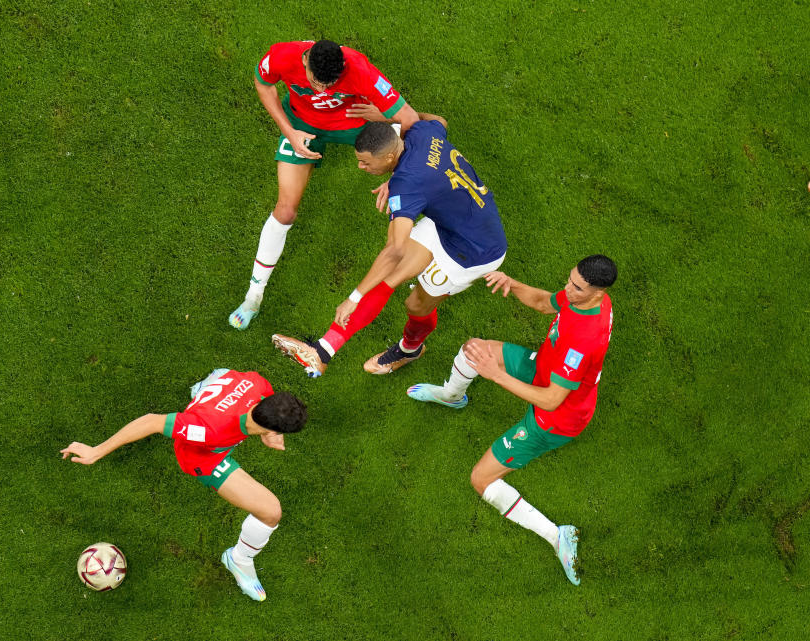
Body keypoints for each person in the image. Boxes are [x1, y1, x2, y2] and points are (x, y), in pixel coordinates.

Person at [407, 255, 617, 585]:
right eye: (569, 279)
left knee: (481, 480)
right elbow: (546, 303)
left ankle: (557, 536)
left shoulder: (583, 340)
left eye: (576, 287)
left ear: (597, 292)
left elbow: (550, 399)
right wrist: (513, 283)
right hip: (545, 369)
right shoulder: (588, 299)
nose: (567, 288)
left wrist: (495, 375)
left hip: (556, 418)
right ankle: (452, 396)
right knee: (474, 349)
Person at [271, 119, 507, 377]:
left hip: (472, 250)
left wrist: (354, 297)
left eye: (366, 162)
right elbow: (440, 121)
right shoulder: (422, 133)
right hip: (452, 221)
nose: (361, 167)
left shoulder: (408, 186)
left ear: (390, 156)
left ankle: (410, 349)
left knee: (415, 305)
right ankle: (322, 352)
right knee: (389, 277)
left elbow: (395, 248)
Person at [60, 368, 308, 602]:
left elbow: (261, 397)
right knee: (270, 511)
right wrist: (96, 451)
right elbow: (152, 422)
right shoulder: (209, 431)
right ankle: (238, 560)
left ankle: (205, 389)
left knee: (224, 375)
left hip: (221, 401)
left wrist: (267, 431)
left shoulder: (258, 384)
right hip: (203, 456)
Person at [229, 39, 422, 330]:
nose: (322, 92)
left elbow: (410, 118)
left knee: (418, 138)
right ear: (305, 61)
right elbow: (263, 84)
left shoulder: (361, 69)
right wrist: (290, 132)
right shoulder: (281, 56)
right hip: (302, 126)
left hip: (354, 126)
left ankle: (430, 123)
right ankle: (253, 296)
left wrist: (397, 177)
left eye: (330, 85)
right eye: (316, 84)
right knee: (285, 210)